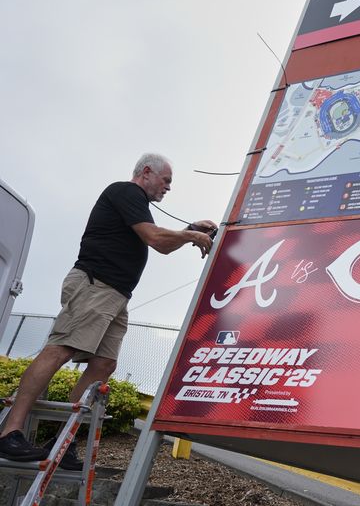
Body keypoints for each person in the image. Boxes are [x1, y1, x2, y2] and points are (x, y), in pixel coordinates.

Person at [0, 153, 216, 469]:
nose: (168, 188)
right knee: (59, 350)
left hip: (115, 295)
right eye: (166, 180)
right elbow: (155, 239)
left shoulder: (138, 206)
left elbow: (164, 245)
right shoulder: (126, 192)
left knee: (104, 364)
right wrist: (191, 234)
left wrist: (189, 230)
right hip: (95, 285)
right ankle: (10, 432)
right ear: (146, 172)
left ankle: (61, 443)